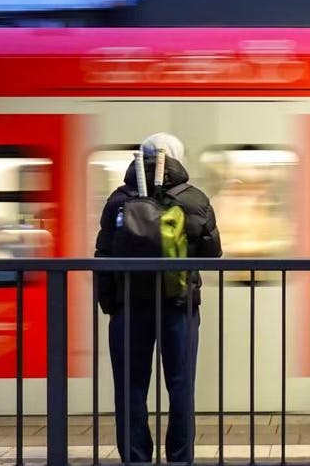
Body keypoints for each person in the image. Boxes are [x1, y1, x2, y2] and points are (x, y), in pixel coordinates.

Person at [95, 133, 222, 465]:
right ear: (177, 157)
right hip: (178, 306)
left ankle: (136, 458)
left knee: (131, 386)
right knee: (180, 385)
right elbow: (212, 254)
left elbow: (103, 254)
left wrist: (110, 304)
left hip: (128, 307)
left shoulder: (118, 199)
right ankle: (180, 458)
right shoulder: (194, 199)